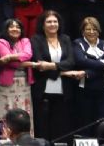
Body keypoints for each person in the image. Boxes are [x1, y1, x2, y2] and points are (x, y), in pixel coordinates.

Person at [29, 11, 76, 142]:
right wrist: (61, 69)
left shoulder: (65, 38)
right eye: (49, 22)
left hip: (63, 90)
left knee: (61, 126)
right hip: (42, 89)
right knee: (43, 126)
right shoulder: (36, 39)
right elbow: (39, 64)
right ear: (43, 25)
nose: (52, 24)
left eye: (55, 21)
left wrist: (51, 66)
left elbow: (71, 62)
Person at [72, 17, 104, 132]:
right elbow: (81, 61)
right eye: (88, 29)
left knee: (103, 122)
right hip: (85, 89)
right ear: (83, 31)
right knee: (85, 121)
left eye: (95, 29)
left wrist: (86, 72)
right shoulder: (78, 43)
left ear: (99, 30)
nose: (92, 32)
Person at [0, 19, 33, 133]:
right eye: (11, 26)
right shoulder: (1, 42)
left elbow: (28, 54)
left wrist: (9, 57)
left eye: (18, 27)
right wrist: (13, 59)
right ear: (6, 29)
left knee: (23, 114)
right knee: (4, 114)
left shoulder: (25, 41)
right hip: (6, 85)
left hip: (24, 84)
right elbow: (13, 63)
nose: (15, 29)